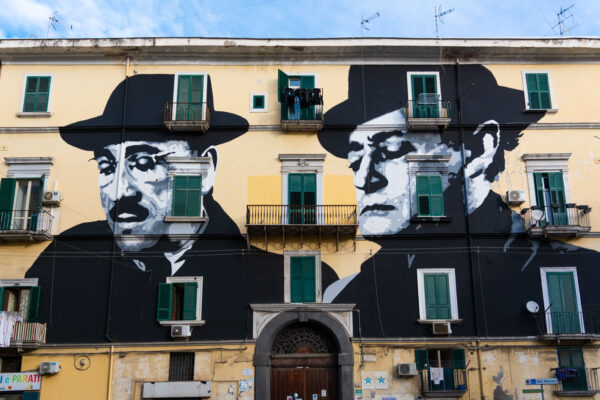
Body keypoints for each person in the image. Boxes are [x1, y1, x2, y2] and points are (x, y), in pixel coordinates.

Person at [26, 74, 338, 343]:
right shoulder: (61, 261)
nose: (119, 191)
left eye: (143, 162)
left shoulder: (271, 271)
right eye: (107, 166)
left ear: (207, 171)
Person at [318, 65, 600, 338]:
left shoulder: (582, 261)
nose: (364, 179)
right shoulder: (345, 292)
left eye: (390, 150)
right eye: (356, 160)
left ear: (483, 147)